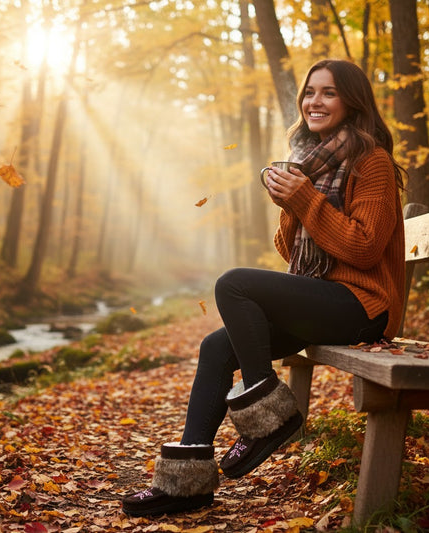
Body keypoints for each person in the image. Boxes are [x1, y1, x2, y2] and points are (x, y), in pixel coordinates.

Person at [122, 58, 406, 517]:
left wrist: (302, 197)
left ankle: (268, 416)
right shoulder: (312, 161)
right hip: (325, 298)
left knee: (233, 284)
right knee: (216, 347)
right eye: (310, 92)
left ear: (352, 102)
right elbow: (287, 248)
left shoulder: (371, 162)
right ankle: (184, 484)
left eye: (328, 92)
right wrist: (291, 202)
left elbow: (365, 248)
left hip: (363, 306)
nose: (315, 101)